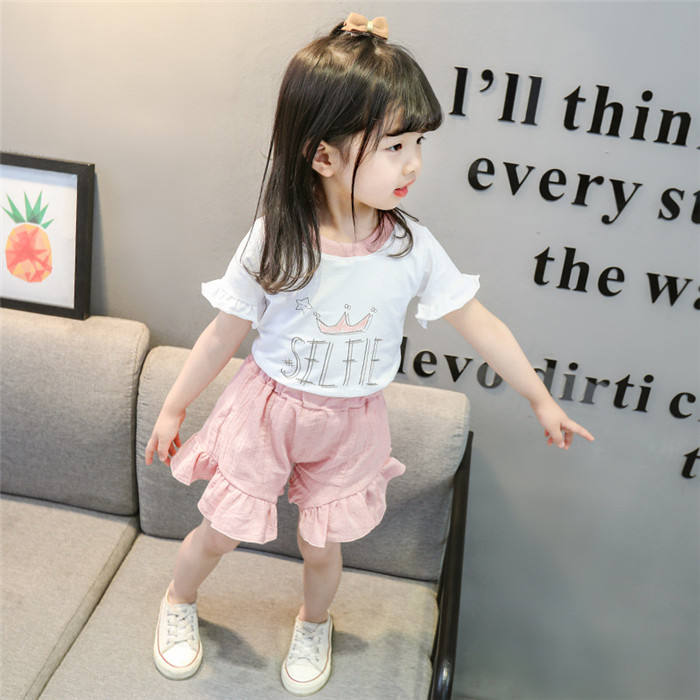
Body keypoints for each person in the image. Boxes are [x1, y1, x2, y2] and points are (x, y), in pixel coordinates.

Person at [145, 12, 594, 696]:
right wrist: (174, 409)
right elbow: (222, 333)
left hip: (351, 422)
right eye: (393, 146)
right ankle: (177, 601)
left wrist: (540, 398)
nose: (413, 163)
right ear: (323, 156)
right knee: (220, 531)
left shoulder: (411, 248)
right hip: (266, 410)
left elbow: (480, 323)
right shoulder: (276, 238)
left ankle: (314, 622)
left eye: (418, 143)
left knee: (322, 546)